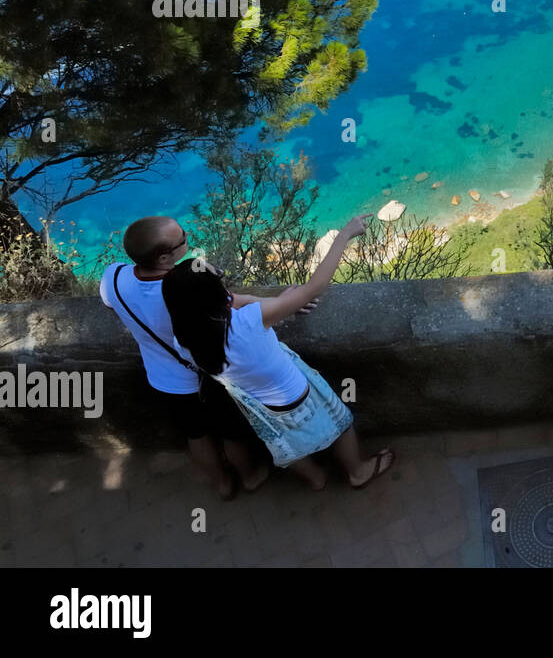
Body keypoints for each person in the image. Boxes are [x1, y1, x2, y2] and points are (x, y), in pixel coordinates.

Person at [161, 214, 394, 491]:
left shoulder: (184, 340)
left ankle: (315, 478)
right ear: (216, 294)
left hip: (260, 407)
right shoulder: (248, 321)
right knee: (340, 423)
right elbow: (314, 288)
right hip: (296, 392)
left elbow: (227, 304)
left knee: (286, 443)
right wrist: (343, 235)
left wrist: (280, 302)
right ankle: (358, 472)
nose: (225, 283)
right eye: (219, 279)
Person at [100, 216, 268, 499]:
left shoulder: (113, 277)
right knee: (230, 431)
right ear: (165, 257)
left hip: (165, 380)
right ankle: (250, 478)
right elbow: (231, 306)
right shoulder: (186, 291)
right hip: (206, 377)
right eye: (183, 239)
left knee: (197, 435)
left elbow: (109, 305)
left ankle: (222, 486)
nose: (189, 240)